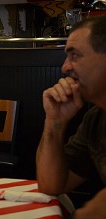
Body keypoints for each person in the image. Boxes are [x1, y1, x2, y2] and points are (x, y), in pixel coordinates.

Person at [36, 15, 106, 219]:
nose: (65, 67)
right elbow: (51, 185)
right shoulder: (96, 118)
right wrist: (54, 122)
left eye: (74, 55)